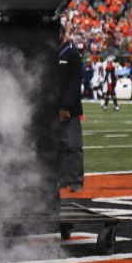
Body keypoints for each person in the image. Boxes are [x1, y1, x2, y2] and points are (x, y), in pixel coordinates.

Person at [57, 32, 84, 193]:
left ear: (63, 34)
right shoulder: (52, 53)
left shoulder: (72, 54)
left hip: (70, 109)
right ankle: (62, 178)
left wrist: (66, 106)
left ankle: (76, 180)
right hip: (52, 106)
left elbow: (75, 82)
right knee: (57, 146)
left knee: (73, 145)